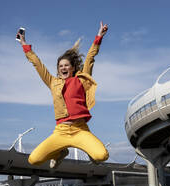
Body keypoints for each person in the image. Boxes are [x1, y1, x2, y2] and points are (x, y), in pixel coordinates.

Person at [17, 21, 109, 169]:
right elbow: (37, 64)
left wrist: (99, 36)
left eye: (66, 65)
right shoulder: (53, 82)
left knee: (102, 156)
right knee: (34, 160)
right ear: (58, 70)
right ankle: (60, 153)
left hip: (80, 129)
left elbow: (90, 57)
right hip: (61, 131)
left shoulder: (81, 79)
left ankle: (90, 152)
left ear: (72, 68)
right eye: (60, 66)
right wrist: (24, 44)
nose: (63, 68)